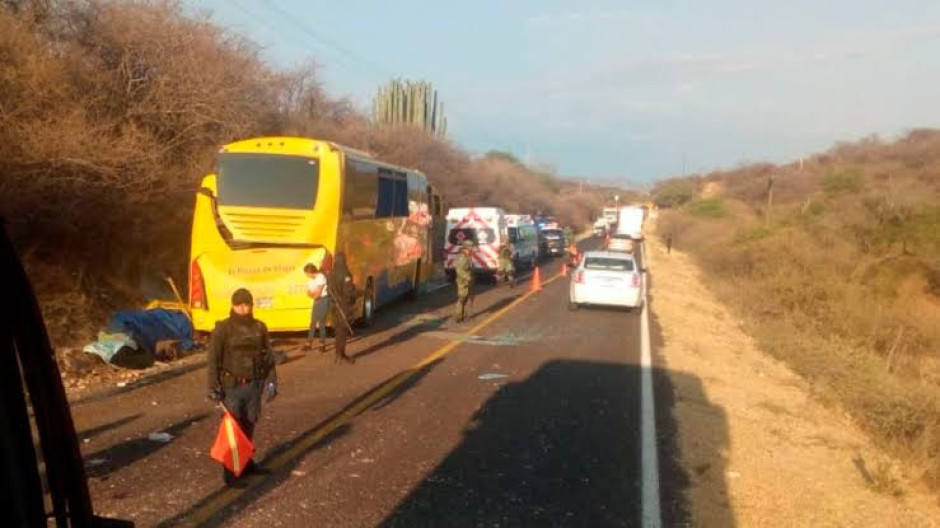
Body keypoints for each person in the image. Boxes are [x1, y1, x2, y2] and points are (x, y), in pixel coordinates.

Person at [206, 288, 278, 487]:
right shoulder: (223, 329)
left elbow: (268, 357)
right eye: (239, 305)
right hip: (232, 387)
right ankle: (230, 474)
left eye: (247, 304)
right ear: (232, 305)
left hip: (255, 385)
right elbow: (213, 360)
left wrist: (272, 381)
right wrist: (213, 386)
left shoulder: (260, 328)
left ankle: (246, 464)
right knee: (233, 430)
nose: (243, 308)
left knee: (249, 425)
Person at [327, 252, 355, 364]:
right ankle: (341, 355)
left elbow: (329, 291)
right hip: (343, 305)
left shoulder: (331, 274)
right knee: (343, 332)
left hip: (334, 306)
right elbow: (348, 292)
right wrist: (354, 294)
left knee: (338, 331)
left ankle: (337, 354)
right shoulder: (346, 274)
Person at [303, 263, 330, 353]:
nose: (306, 276)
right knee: (313, 322)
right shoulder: (311, 280)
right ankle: (309, 343)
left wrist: (313, 294)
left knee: (321, 322)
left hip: (323, 300)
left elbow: (317, 294)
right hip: (317, 301)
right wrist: (313, 294)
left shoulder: (321, 277)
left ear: (310, 272)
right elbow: (308, 292)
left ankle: (322, 343)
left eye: (307, 273)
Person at [454, 240, 474, 323]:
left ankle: (463, 315)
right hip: (463, 281)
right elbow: (459, 270)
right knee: (462, 298)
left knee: (465, 298)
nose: (472, 249)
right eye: (470, 247)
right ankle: (458, 317)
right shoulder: (462, 257)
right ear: (466, 247)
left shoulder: (467, 256)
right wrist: (467, 277)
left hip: (466, 280)